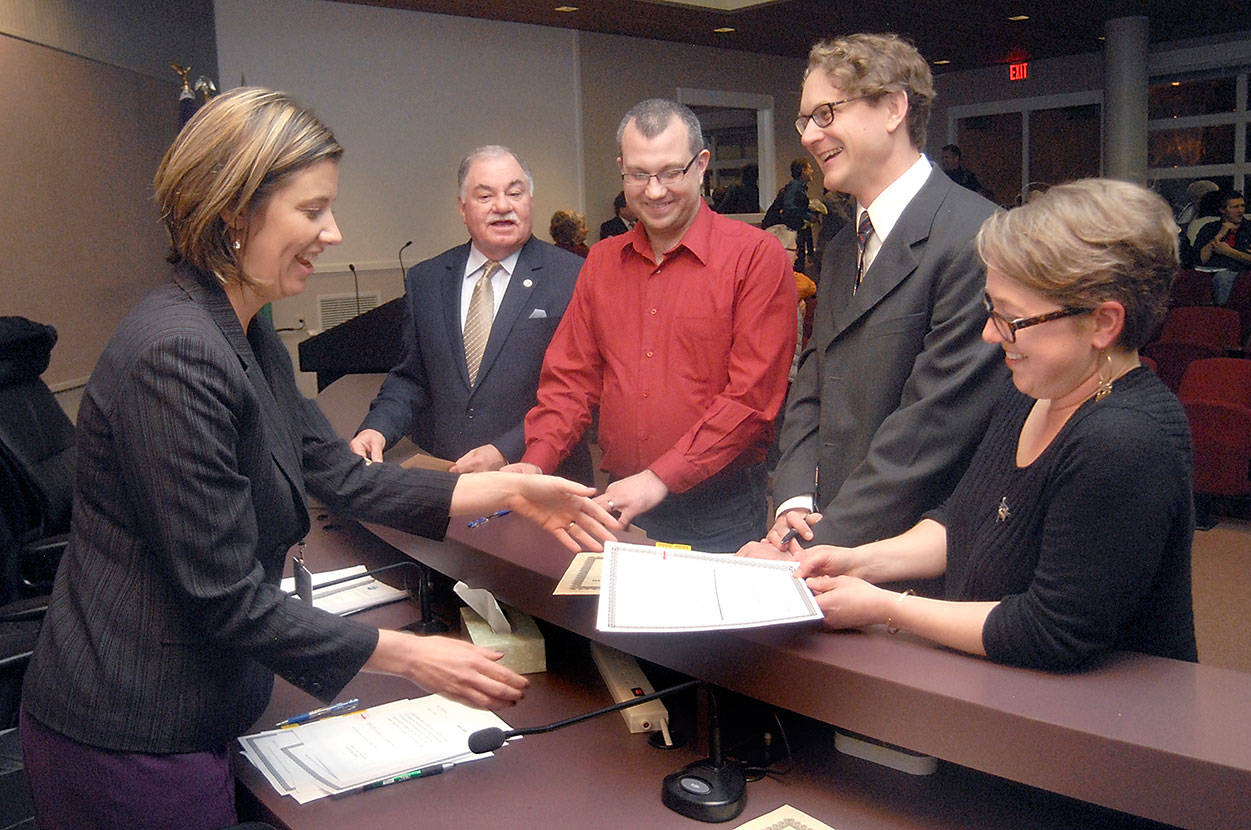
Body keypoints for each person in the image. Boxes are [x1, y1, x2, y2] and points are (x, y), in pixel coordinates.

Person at [18, 89, 619, 829]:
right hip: (132, 734)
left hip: (201, 708)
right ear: (235, 212)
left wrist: (507, 491)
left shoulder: (242, 328)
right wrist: (410, 657)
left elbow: (334, 474)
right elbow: (222, 596)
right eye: (313, 210)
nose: (333, 232)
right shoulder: (176, 353)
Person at [747, 178, 1198, 671]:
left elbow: (1052, 631)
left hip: (1095, 728)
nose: (989, 334)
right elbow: (961, 522)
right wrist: (855, 561)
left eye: (1011, 319)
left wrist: (886, 606)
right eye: (990, 310)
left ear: (1103, 323)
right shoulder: (1033, 393)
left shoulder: (1125, 439)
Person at [512, 99, 797, 551]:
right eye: (639, 175)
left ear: (701, 166)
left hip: (716, 510)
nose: (655, 190)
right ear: (622, 170)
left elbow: (751, 398)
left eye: (670, 172)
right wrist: (537, 460)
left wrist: (661, 476)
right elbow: (571, 379)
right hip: (619, 502)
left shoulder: (754, 256)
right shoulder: (603, 261)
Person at [769, 33, 1005, 557]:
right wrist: (792, 505)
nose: (809, 136)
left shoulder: (975, 236)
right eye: (804, 120)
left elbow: (932, 428)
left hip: (916, 562)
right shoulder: (839, 245)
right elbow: (813, 382)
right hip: (823, 543)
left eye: (825, 113)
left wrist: (818, 540)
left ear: (894, 107)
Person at [350, 146, 593, 485]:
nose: (503, 206)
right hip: (449, 479)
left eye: (514, 192)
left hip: (541, 480)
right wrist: (377, 428)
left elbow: (580, 391)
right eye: (485, 196)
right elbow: (411, 378)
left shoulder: (574, 276)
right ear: (463, 209)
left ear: (531, 201)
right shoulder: (427, 279)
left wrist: (505, 449)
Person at [1192, 190, 1251, 303]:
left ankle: (1225, 315)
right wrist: (1220, 234)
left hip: (1244, 275)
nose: (1240, 210)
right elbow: (1200, 260)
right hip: (1210, 274)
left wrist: (1229, 252)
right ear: (1222, 210)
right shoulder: (1209, 229)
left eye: (1242, 206)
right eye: (1235, 207)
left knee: (1223, 278)